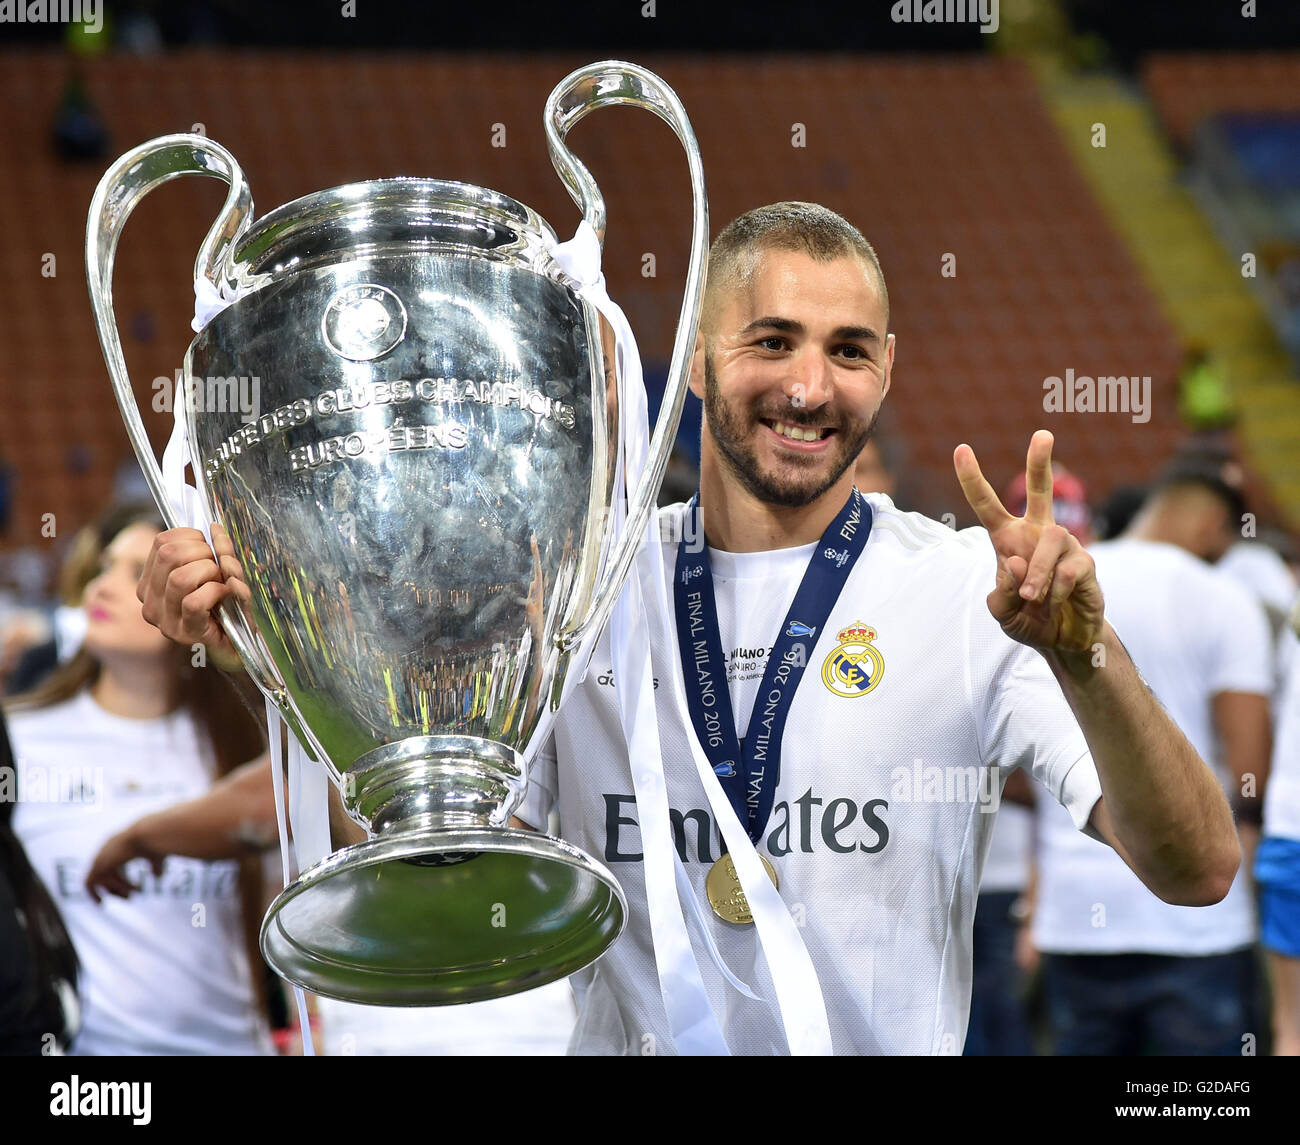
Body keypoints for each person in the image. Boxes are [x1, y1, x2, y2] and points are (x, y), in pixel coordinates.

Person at [138, 201, 1241, 1056]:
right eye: (773, 340)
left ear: (888, 368)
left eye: (850, 350)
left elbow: (1194, 867)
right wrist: (264, 659)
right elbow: (410, 836)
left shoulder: (968, 592)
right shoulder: (574, 584)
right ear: (700, 356)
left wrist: (1084, 658)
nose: (810, 386)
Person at [6, 505, 274, 1055]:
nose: (103, 587)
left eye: (138, 573)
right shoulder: (20, 736)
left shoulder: (243, 739)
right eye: (104, 567)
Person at [1030, 463, 1273, 1055]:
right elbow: (1249, 770)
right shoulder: (1223, 597)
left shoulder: (1057, 585)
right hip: (1196, 920)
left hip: (1072, 912)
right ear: (1213, 524)